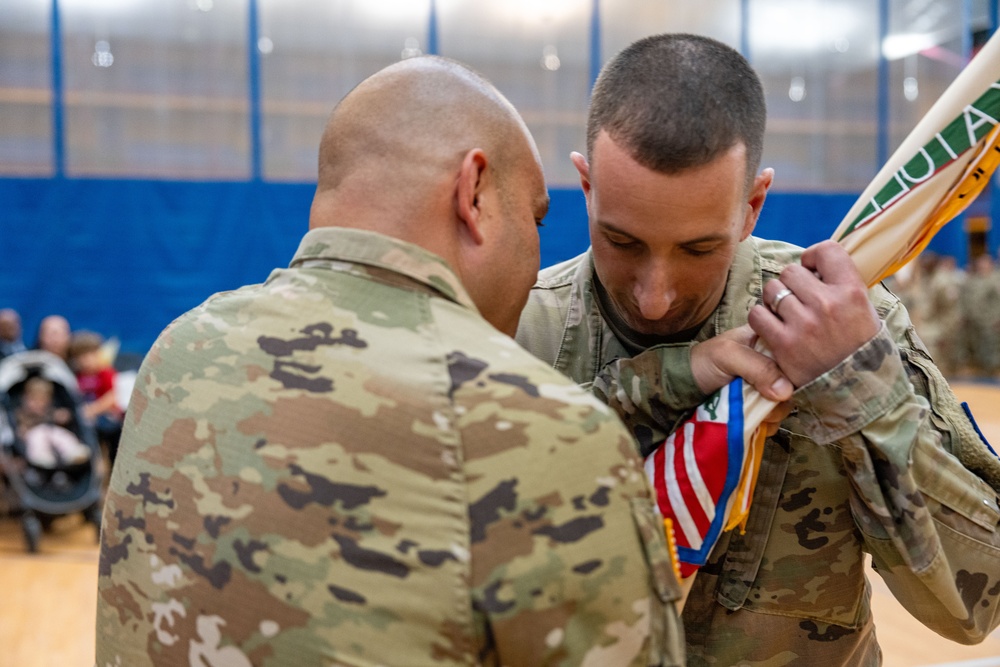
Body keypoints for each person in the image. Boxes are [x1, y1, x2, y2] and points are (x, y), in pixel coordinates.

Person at [96, 56, 689, 666]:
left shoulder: (180, 352)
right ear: (474, 193)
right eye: (535, 216)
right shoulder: (541, 436)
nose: (538, 249)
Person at [516, 33, 1000, 665]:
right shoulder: (521, 330)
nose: (656, 297)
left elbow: (973, 608)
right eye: (622, 241)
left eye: (697, 249)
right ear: (586, 187)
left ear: (752, 206)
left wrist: (861, 388)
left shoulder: (847, 323)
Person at [15, 376, 90, 469]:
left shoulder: (50, 411)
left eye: (42, 400)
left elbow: (63, 416)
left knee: (61, 434)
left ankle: (73, 451)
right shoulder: (21, 413)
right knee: (37, 435)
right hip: (34, 436)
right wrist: (22, 431)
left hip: (51, 433)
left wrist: (63, 416)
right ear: (25, 399)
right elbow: (19, 428)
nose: (38, 404)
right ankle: (41, 456)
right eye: (34, 400)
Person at [67, 330, 123, 448]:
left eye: (91, 355)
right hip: (87, 419)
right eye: (81, 357)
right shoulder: (76, 377)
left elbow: (112, 397)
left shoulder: (106, 373)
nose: (87, 360)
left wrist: (93, 410)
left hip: (107, 417)